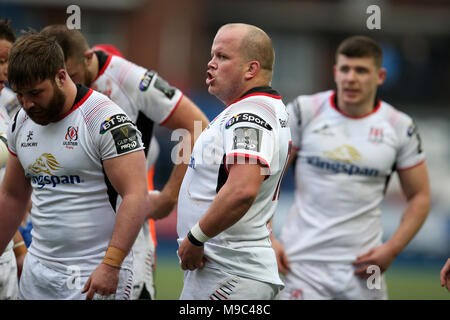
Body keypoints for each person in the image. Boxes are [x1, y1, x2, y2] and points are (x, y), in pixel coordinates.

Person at [39, 26, 210, 299]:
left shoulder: (130, 79)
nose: (66, 87)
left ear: (87, 56)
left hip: (125, 230)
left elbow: (198, 125)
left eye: (71, 76)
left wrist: (168, 196)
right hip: (65, 234)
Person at [272, 35, 431, 300]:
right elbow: (266, 179)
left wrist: (392, 249)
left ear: (380, 76)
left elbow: (420, 197)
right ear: (335, 73)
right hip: (299, 265)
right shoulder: (304, 111)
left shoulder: (399, 126)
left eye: (361, 70)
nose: (351, 78)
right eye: (345, 69)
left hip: (363, 270)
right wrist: (268, 236)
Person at [0, 33, 152, 300]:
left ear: (61, 77)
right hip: (38, 272)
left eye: (36, 93)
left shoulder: (107, 120)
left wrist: (111, 263)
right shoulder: (20, 121)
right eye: (21, 95)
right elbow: (12, 195)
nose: (27, 104)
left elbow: (136, 194)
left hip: (94, 272)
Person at [177, 23, 291, 300]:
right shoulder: (251, 109)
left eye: (222, 57)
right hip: (230, 271)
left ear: (251, 69)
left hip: (231, 274)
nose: (211, 63)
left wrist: (195, 238)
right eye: (212, 55)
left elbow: (243, 190)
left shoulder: (250, 115)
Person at [0, 17, 28, 300]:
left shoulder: (6, 113)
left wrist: (18, 247)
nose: (6, 71)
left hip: (5, 256)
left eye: (8, 61)